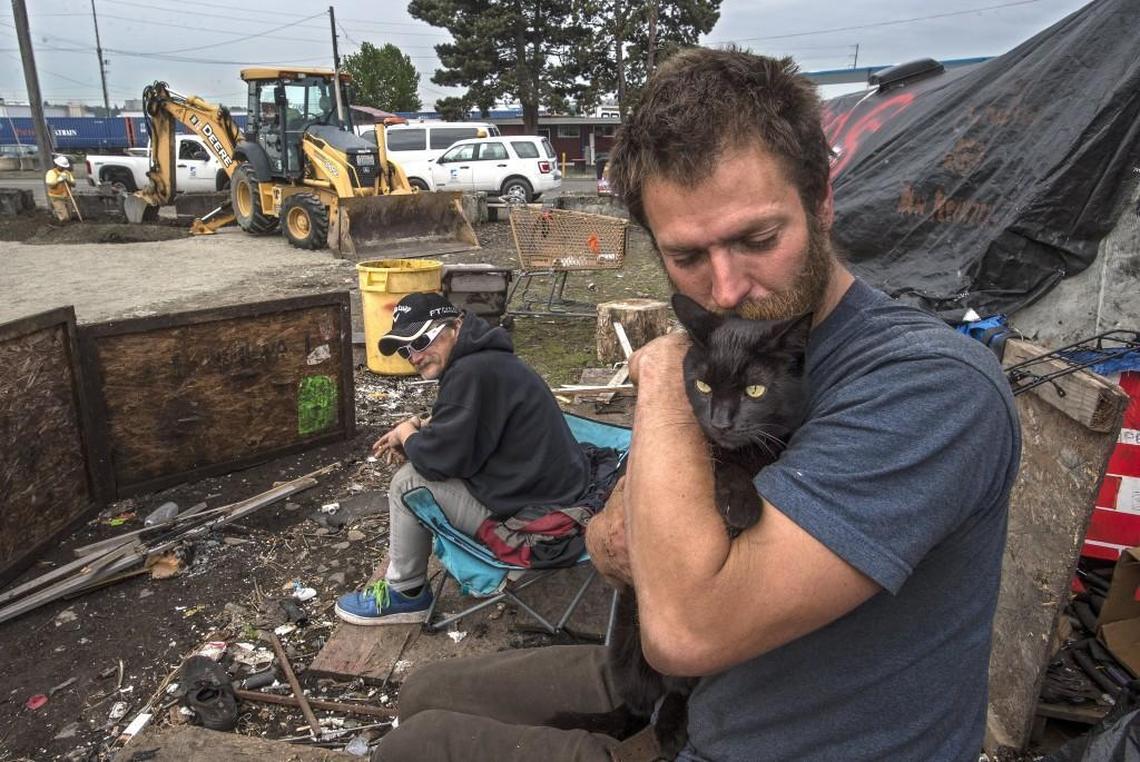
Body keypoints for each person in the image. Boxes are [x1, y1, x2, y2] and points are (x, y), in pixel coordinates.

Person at [373, 49, 1020, 762]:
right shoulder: (725, 349)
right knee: (423, 693)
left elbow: (687, 630)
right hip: (694, 689)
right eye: (686, 257)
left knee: (421, 747)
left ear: (823, 199)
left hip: (770, 736)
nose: (727, 289)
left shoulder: (930, 387)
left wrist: (663, 377)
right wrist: (629, 522)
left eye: (758, 239)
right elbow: (604, 541)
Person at [335, 292, 591, 625]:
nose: (414, 356)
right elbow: (469, 421)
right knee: (419, 464)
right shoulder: (487, 361)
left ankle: (405, 594)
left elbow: (437, 461)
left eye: (422, 340)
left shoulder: (470, 372)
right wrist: (418, 427)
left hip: (537, 517)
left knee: (407, 482)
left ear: (455, 326)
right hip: (556, 490)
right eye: (404, 349)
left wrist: (406, 434)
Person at [45, 155, 76, 222]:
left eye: (64, 166)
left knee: (70, 216)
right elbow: (50, 185)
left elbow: (74, 184)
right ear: (57, 164)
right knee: (65, 218)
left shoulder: (67, 173)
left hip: (67, 196)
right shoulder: (51, 173)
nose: (63, 168)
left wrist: (68, 180)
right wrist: (59, 180)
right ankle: (62, 223)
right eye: (62, 166)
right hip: (57, 197)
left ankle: (58, 214)